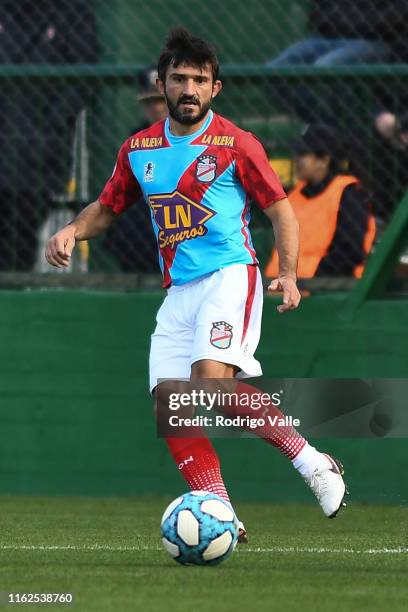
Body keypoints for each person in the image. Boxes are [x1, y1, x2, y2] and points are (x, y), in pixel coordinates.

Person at [46, 28, 347, 539]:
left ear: (216, 88)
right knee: (172, 405)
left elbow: (281, 210)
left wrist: (290, 274)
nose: (189, 88)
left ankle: (314, 463)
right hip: (179, 291)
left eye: (199, 80)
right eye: (179, 78)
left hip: (230, 275)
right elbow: (109, 206)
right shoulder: (139, 148)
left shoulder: (236, 144)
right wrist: (74, 228)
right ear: (162, 84)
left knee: (210, 385)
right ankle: (222, 511)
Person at [0, 0, 98, 271]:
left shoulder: (71, 12)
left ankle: (12, 301)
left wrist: (50, 123)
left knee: (17, 239)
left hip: (38, 158)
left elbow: (85, 77)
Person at [265, 125, 376, 279]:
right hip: (282, 287)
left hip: (329, 288)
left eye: (303, 154)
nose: (296, 159)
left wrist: (310, 275)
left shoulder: (347, 192)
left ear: (323, 160)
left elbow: (350, 254)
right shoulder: (294, 195)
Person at [103, 68, 168, 273]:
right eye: (150, 102)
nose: (156, 108)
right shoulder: (135, 141)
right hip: (139, 241)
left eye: (161, 100)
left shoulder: (199, 138)